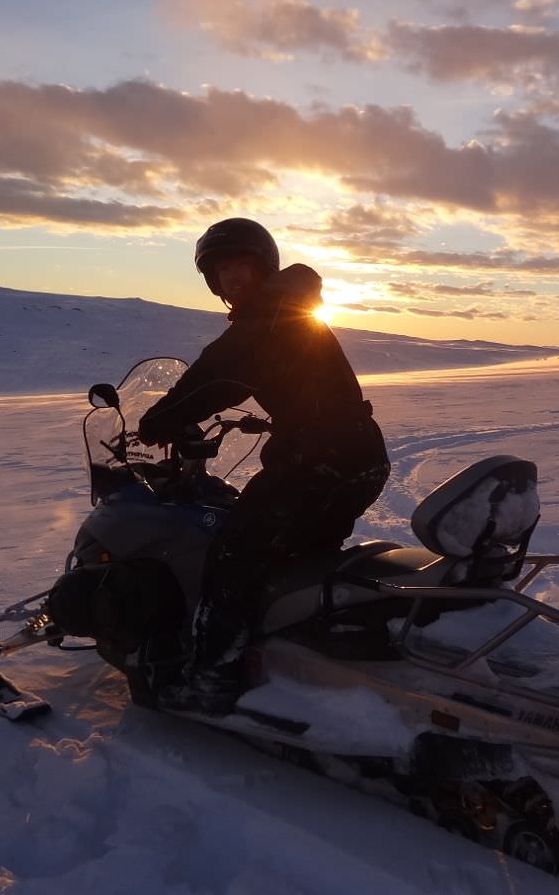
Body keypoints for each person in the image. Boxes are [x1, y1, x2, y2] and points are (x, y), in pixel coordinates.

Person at [138, 217, 390, 716]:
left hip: (316, 466)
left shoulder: (263, 325)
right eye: (222, 271)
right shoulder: (295, 314)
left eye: (241, 266)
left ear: (263, 267)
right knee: (298, 557)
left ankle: (212, 680)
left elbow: (208, 383)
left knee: (232, 558)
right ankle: (297, 653)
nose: (232, 279)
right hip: (360, 456)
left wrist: (155, 424)